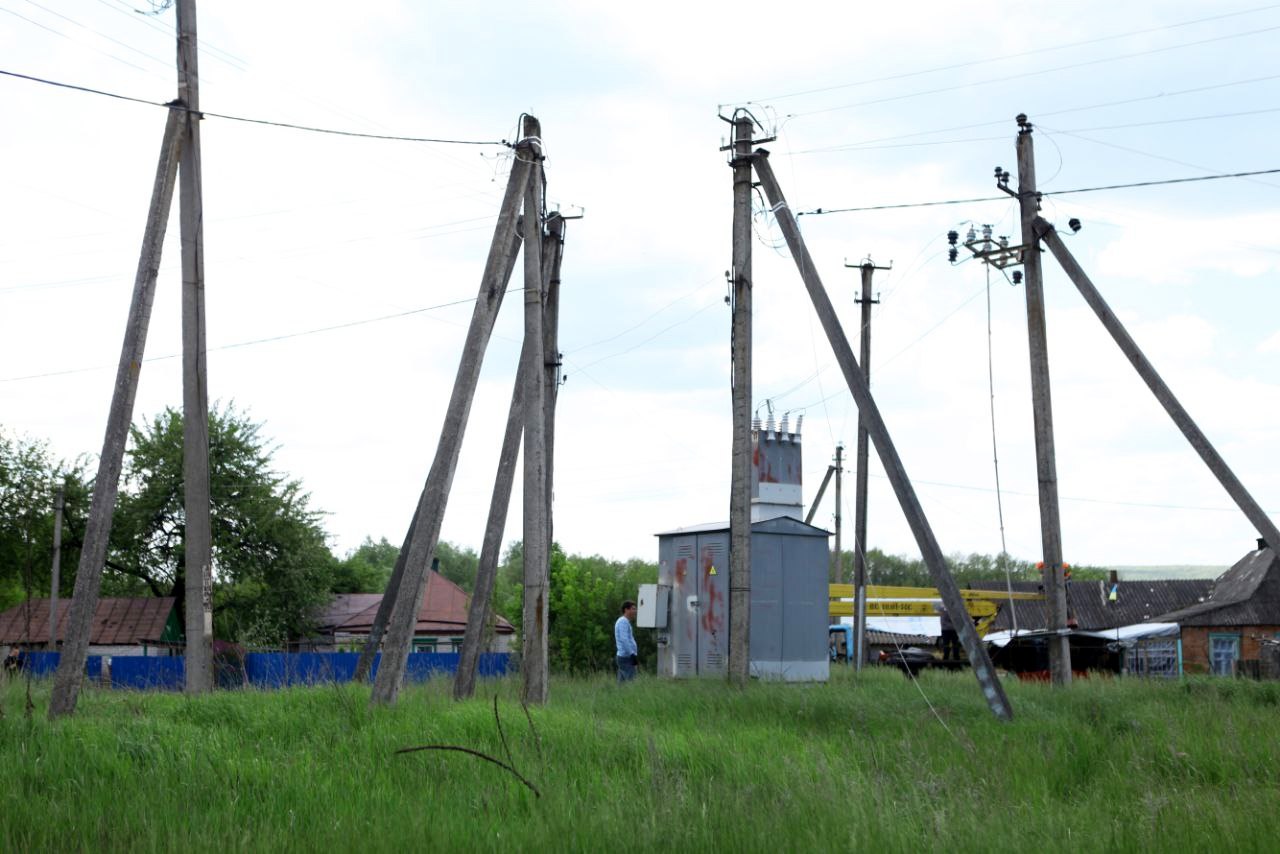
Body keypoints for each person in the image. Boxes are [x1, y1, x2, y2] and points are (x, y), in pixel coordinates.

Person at [615, 600, 638, 682]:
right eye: (633, 609)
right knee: (631, 682)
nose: (635, 611)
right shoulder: (623, 622)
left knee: (622, 684)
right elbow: (624, 640)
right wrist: (632, 654)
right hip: (626, 657)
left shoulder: (624, 622)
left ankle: (619, 695)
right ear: (626, 610)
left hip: (624, 656)